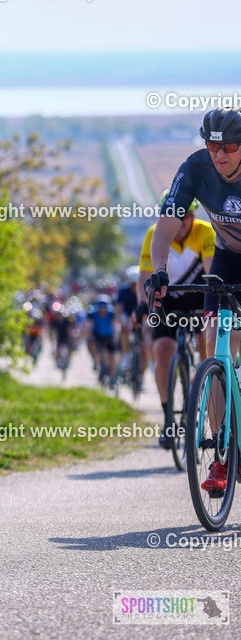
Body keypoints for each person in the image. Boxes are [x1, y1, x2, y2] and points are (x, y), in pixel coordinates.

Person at [149, 107, 241, 492]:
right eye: (212, 146)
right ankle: (221, 455)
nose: (220, 155)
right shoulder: (195, 168)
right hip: (229, 259)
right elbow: (166, 224)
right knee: (214, 341)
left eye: (230, 146)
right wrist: (160, 270)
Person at [137, 191, 214, 448]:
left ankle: (205, 391)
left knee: (207, 347)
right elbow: (144, 276)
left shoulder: (205, 232)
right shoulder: (154, 234)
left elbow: (212, 268)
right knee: (162, 350)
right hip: (167, 300)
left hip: (198, 297)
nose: (180, 223)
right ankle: (169, 417)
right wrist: (141, 304)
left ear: (193, 216)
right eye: (174, 217)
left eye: (185, 217)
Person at [86, 296, 118, 382]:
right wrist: (90, 336)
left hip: (109, 336)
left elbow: (115, 326)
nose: (103, 310)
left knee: (112, 357)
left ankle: (112, 378)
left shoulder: (112, 313)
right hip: (97, 335)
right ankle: (98, 363)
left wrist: (115, 337)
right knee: (96, 349)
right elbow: (90, 326)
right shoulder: (92, 314)